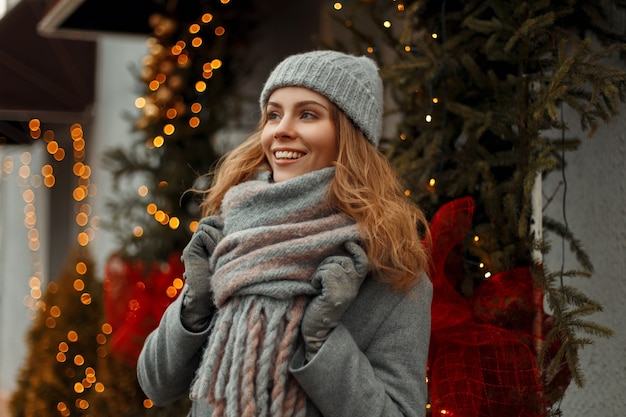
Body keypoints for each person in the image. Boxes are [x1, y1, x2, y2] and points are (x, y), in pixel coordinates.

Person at [137, 50, 433, 417]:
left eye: (307, 114)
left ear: (349, 139)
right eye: (273, 114)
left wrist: (323, 340)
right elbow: (155, 382)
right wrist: (194, 304)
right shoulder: (235, 240)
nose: (281, 129)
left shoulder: (391, 272)